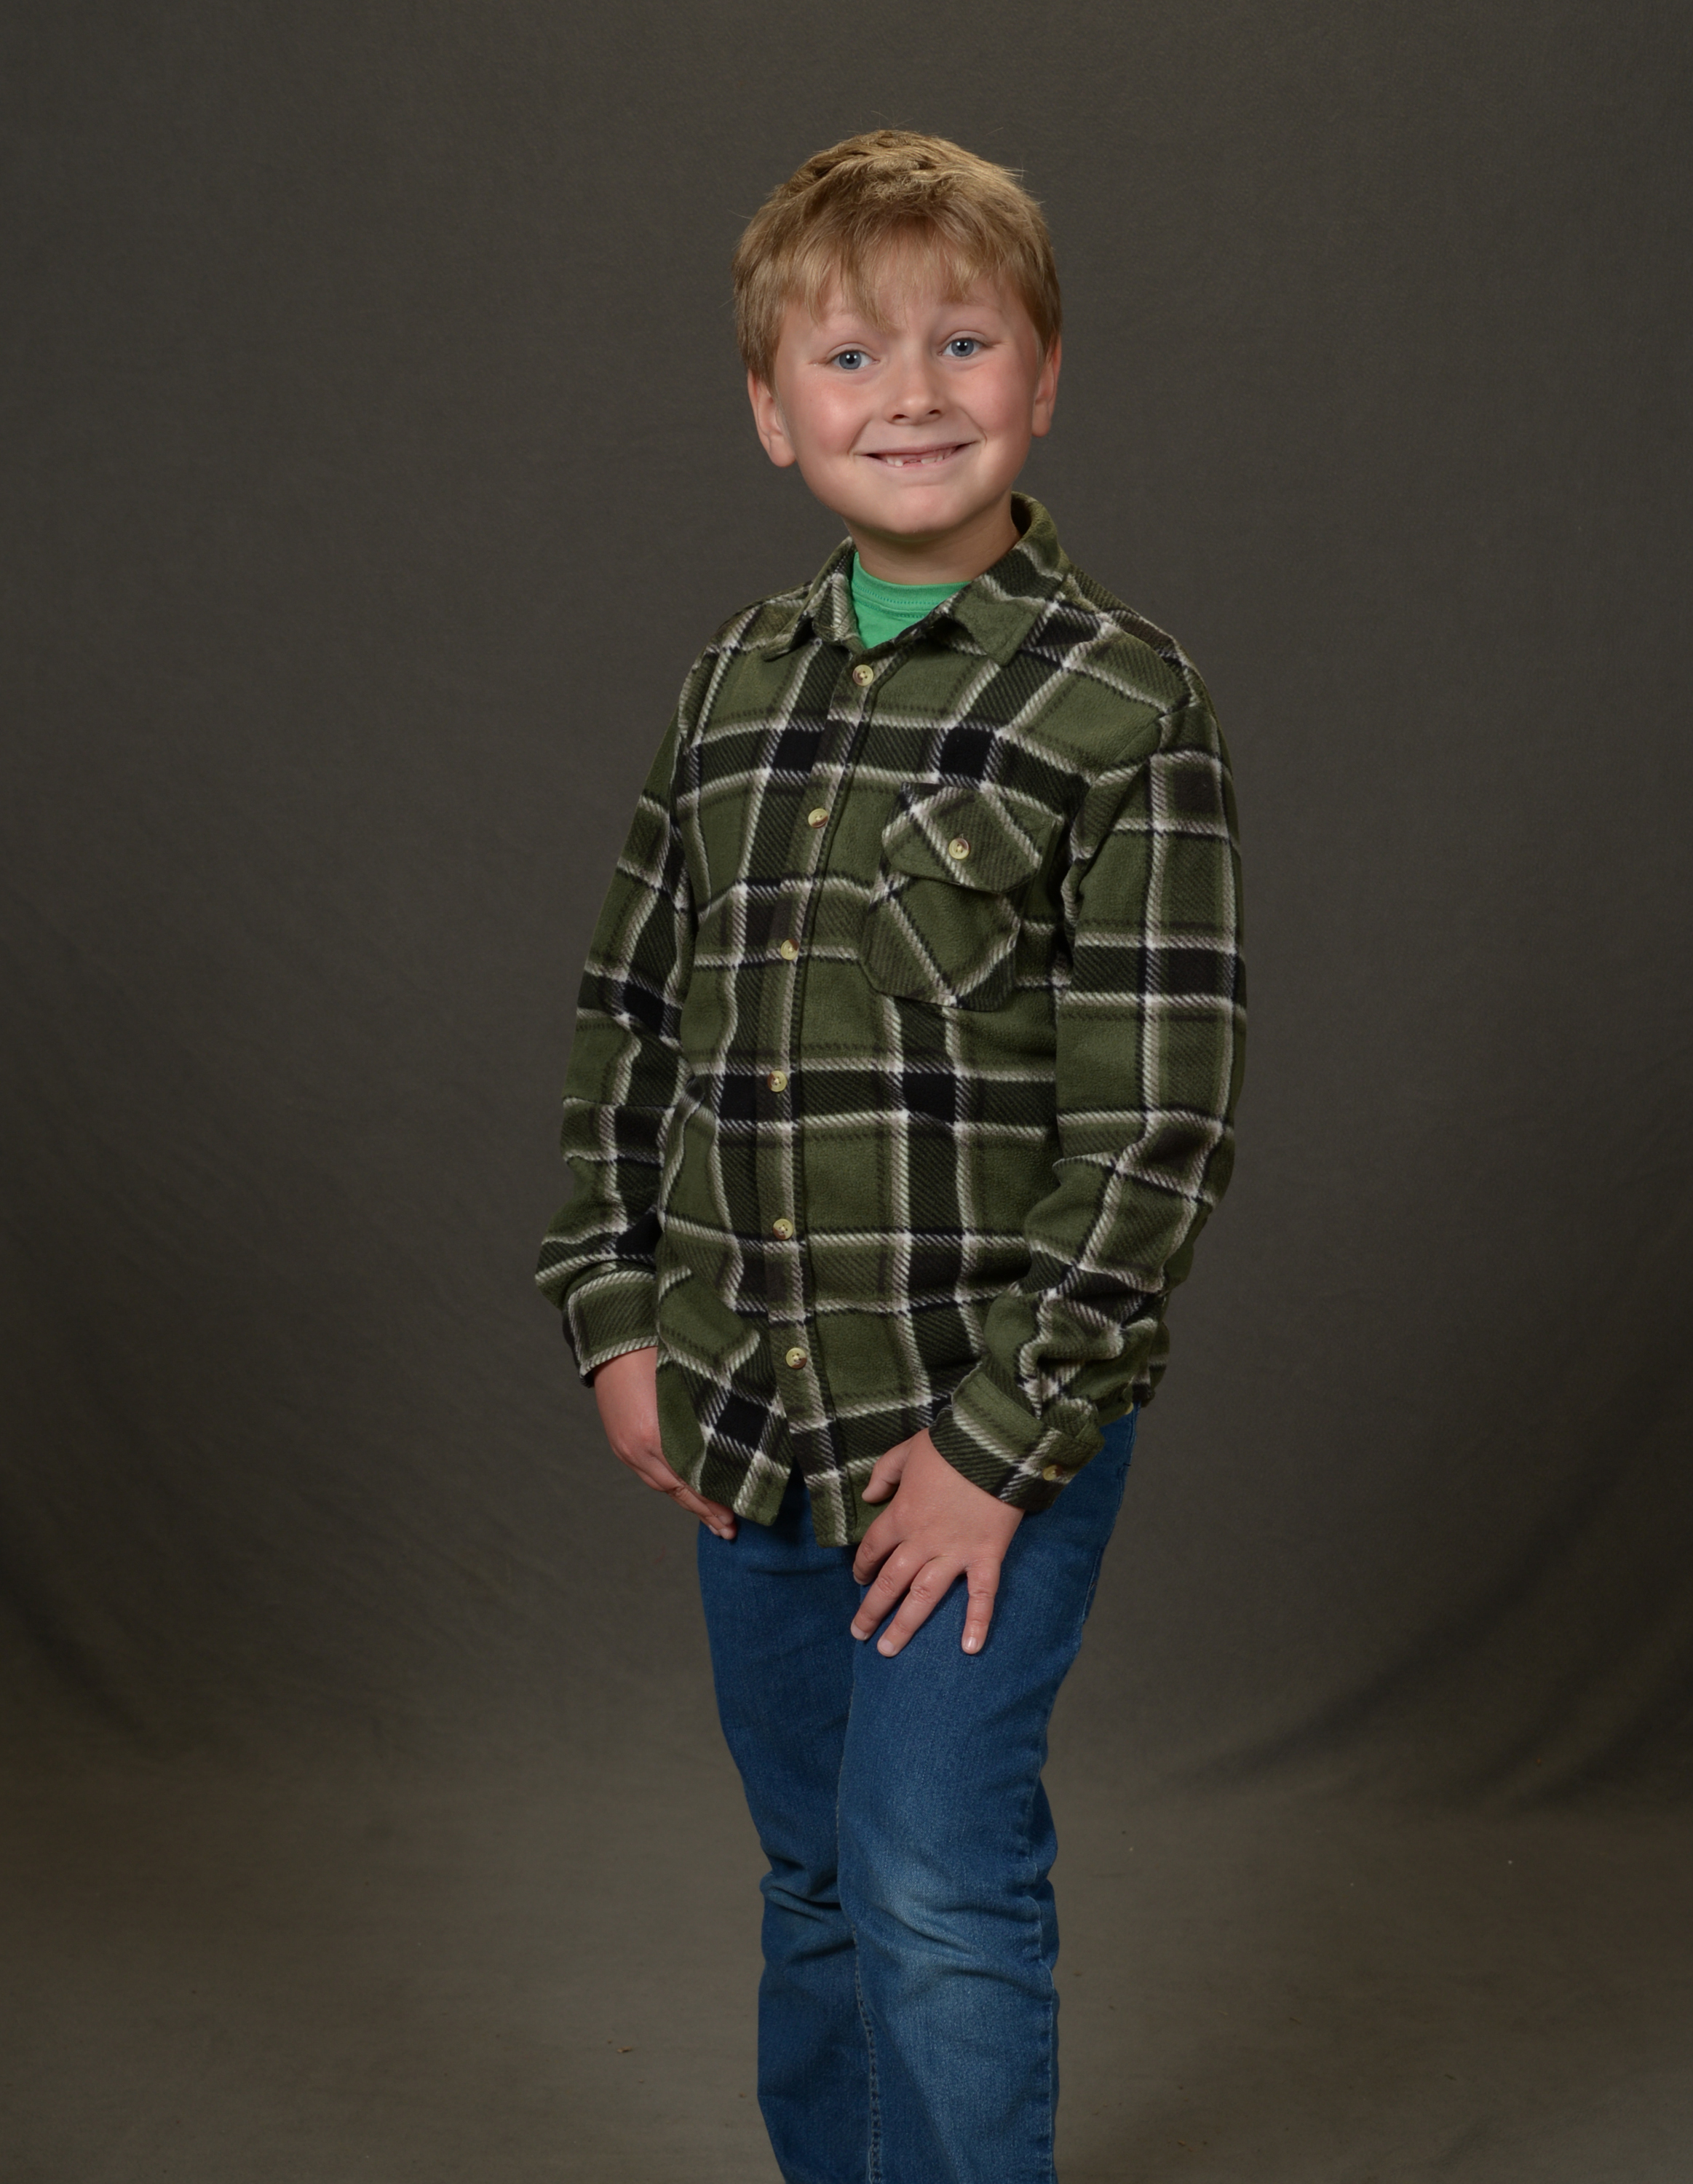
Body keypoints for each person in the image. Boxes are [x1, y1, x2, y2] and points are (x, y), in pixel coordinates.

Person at [537, 129, 1244, 2184]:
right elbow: (630, 1019)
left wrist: (998, 1448)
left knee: (932, 1868)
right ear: (773, 411)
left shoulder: (1121, 704)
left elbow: (1158, 1125)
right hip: (747, 1412)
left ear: (1046, 375)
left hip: (978, 1433)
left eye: (963, 343)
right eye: (850, 357)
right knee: (818, 1872)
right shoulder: (728, 691)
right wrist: (615, 1314)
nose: (911, 395)